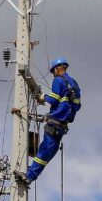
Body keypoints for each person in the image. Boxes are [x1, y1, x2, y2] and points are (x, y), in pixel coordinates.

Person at [14, 57, 81, 187]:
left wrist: (42, 97)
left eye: (53, 71)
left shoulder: (58, 80)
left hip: (55, 123)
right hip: (62, 125)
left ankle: (29, 176)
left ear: (57, 69)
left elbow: (54, 99)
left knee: (43, 153)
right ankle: (31, 175)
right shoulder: (75, 84)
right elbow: (77, 106)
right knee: (47, 155)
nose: (53, 74)